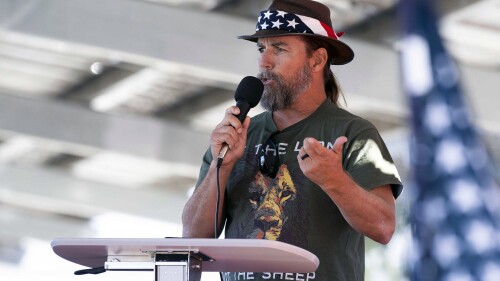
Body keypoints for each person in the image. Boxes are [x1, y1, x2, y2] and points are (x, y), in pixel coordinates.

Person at [182, 0, 403, 280]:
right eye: (261, 48)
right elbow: (193, 237)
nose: (264, 61)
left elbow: (383, 227)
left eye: (280, 48)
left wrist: (334, 180)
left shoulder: (354, 133)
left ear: (317, 60)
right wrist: (221, 166)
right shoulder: (235, 135)